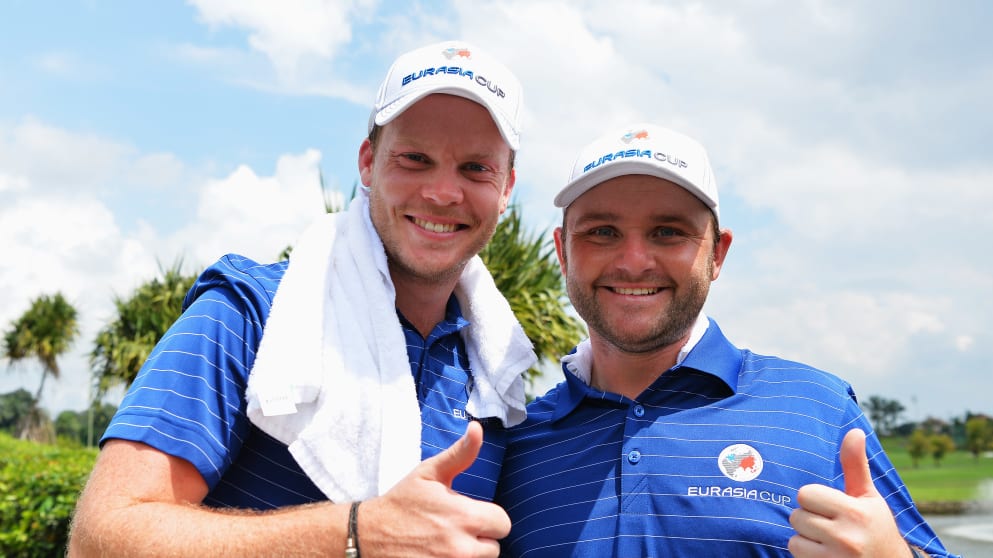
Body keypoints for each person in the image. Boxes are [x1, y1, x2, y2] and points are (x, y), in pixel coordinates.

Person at [69, 40, 537, 557]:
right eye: (415, 158)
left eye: (476, 169)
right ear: (367, 163)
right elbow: (101, 538)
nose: (444, 192)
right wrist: (357, 534)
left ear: (507, 187)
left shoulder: (495, 381)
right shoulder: (250, 313)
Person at [495, 123, 956, 557]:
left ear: (717, 254)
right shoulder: (514, 442)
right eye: (602, 232)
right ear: (563, 251)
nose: (634, 261)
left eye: (668, 232)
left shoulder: (817, 408)